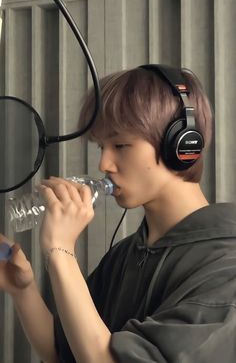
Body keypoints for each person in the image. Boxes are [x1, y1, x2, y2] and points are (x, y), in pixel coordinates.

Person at [1, 64, 236, 363]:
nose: (104, 164)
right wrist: (23, 289)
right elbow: (66, 352)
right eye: (101, 146)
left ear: (182, 146)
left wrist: (60, 251)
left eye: (121, 144)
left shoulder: (226, 269)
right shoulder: (127, 255)